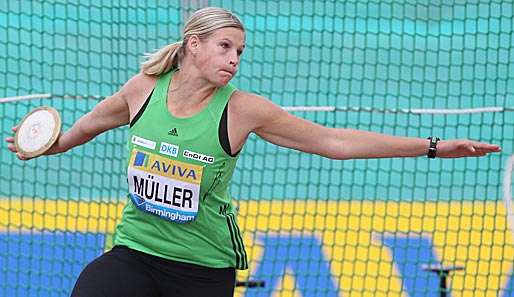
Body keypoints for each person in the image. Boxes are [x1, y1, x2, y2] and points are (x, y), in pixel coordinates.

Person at [5, 6, 501, 297]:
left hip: (202, 268)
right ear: (193, 46)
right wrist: (44, 145)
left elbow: (335, 143)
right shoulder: (143, 89)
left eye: (240, 52)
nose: (234, 59)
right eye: (225, 47)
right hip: (135, 250)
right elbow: (86, 127)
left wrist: (434, 147)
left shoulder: (243, 110)